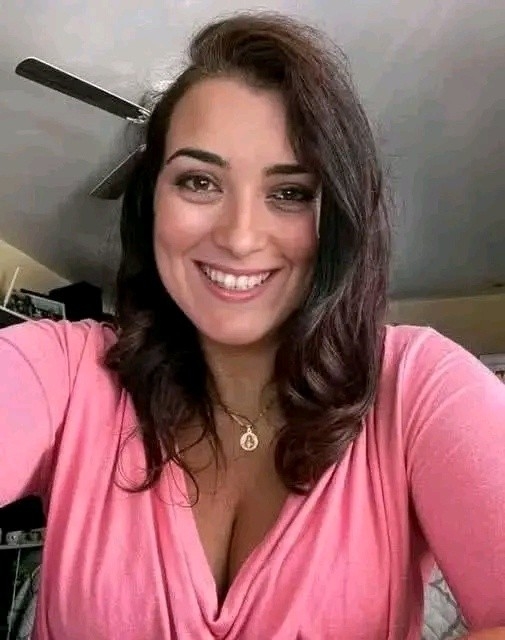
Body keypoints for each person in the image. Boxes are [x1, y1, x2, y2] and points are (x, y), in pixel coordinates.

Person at [0, 11, 504, 640]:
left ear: (339, 219)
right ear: (150, 200)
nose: (239, 237)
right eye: (199, 181)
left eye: (290, 192)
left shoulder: (421, 389)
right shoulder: (64, 371)